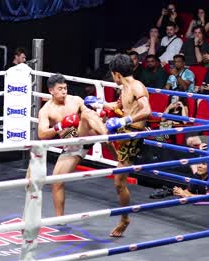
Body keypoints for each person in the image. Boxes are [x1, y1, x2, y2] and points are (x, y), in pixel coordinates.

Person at [37, 74, 109, 218]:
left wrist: (102, 114)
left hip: (86, 134)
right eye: (60, 89)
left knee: (87, 114)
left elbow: (90, 115)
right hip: (72, 144)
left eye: (65, 88)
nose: (64, 91)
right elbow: (42, 134)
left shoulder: (76, 100)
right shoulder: (46, 110)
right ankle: (60, 219)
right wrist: (60, 126)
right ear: (51, 90)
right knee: (56, 182)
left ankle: (107, 135)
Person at [103, 54, 151, 237]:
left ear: (116, 74)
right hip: (125, 131)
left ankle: (124, 220)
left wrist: (125, 119)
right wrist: (100, 103)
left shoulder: (136, 86)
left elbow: (147, 110)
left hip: (133, 135)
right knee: (99, 132)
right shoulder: (125, 87)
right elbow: (118, 106)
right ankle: (117, 160)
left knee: (118, 183)